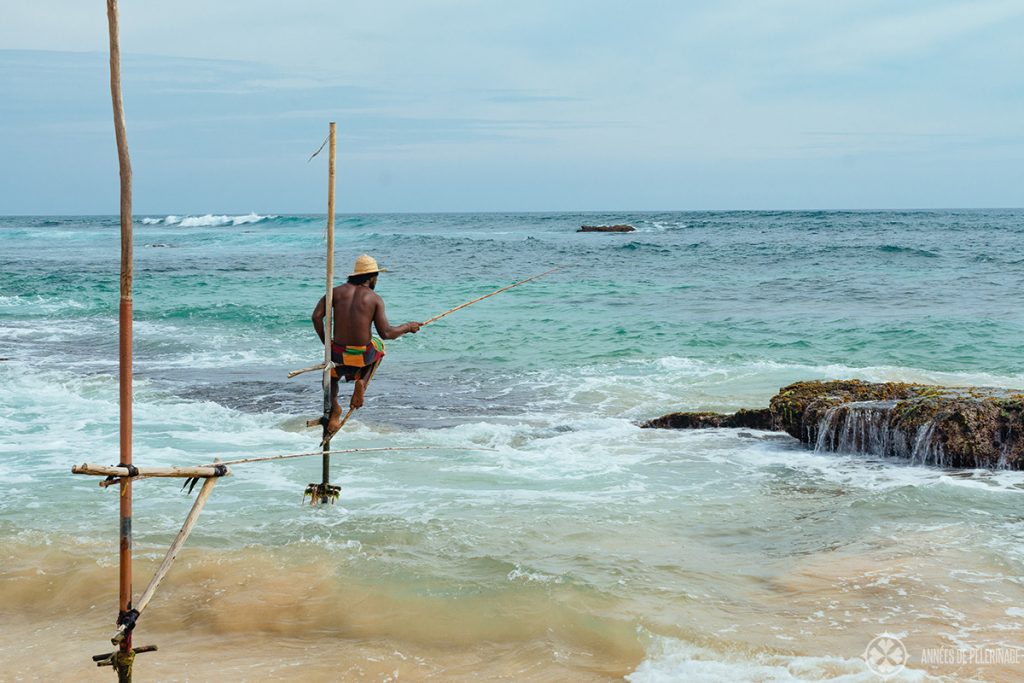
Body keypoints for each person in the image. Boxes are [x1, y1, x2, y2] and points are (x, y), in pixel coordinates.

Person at [311, 254, 421, 432]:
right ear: (371, 277)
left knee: (330, 375)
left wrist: (326, 343)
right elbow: (386, 333)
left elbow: (316, 317)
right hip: (361, 356)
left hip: (338, 353)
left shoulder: (335, 292)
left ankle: (335, 407)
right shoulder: (374, 298)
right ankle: (361, 380)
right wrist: (408, 327)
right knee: (379, 347)